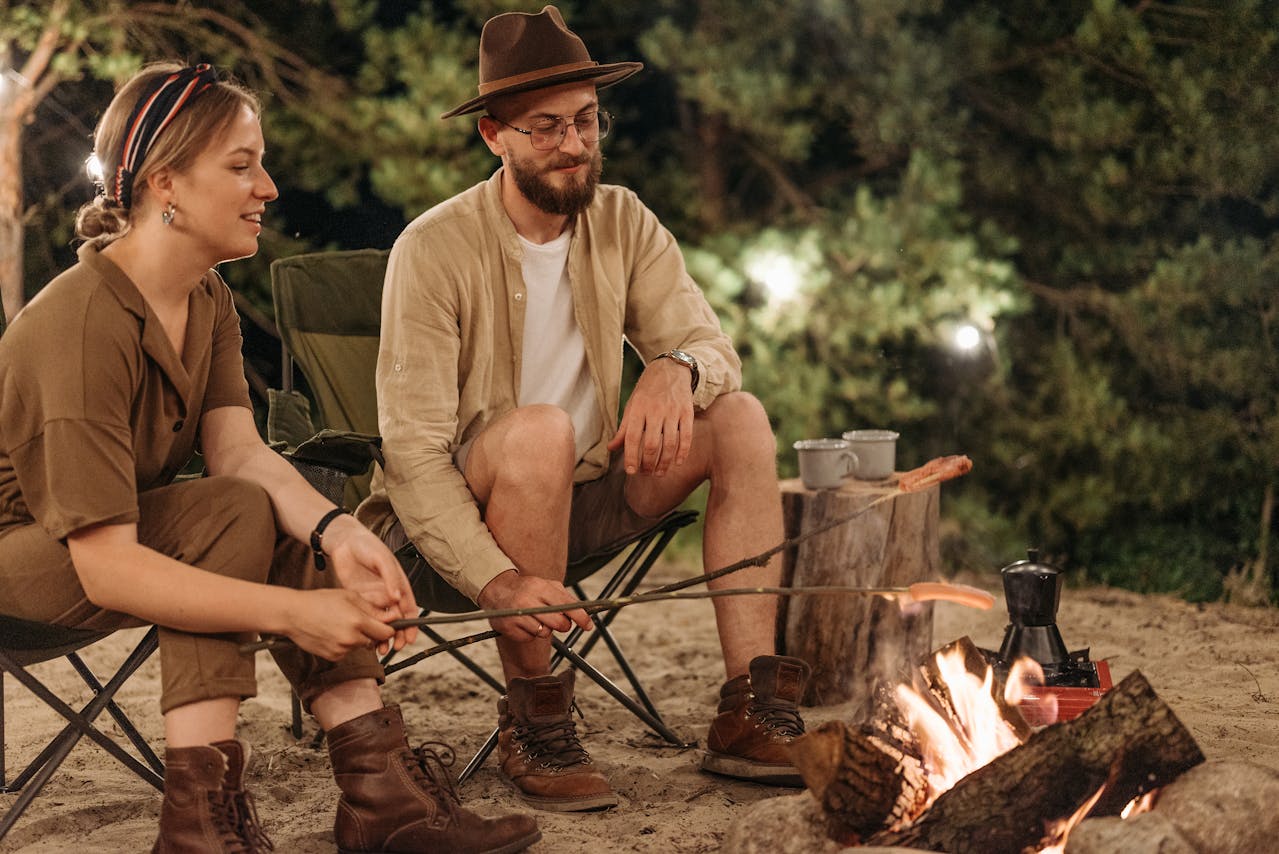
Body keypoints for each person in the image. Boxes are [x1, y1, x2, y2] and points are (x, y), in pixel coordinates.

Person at [0, 62, 539, 854]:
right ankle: (199, 823)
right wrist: (298, 613)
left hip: (105, 541)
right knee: (226, 513)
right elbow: (108, 569)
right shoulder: (80, 328)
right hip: (24, 564)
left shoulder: (204, 296)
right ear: (166, 184)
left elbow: (240, 451)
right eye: (241, 166)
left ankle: (379, 789)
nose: (269, 187)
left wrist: (341, 535)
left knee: (259, 505)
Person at [356, 6, 811, 813]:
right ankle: (534, 721)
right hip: (458, 537)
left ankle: (748, 708)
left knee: (738, 417)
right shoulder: (432, 249)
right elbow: (413, 456)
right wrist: (495, 578)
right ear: (492, 135)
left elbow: (715, 353)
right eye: (545, 128)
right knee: (540, 432)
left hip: (591, 500)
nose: (573, 144)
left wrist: (674, 368)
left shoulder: (623, 219)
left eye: (586, 121)